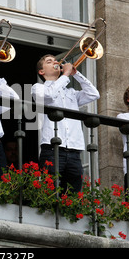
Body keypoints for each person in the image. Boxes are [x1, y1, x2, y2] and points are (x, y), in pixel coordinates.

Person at [31, 55, 100, 193]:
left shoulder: (71, 93)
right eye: (49, 62)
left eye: (55, 60)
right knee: (50, 191)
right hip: (52, 149)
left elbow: (94, 94)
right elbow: (49, 95)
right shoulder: (37, 88)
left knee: (74, 192)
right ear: (41, 72)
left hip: (74, 150)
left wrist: (76, 74)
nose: (55, 62)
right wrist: (66, 74)